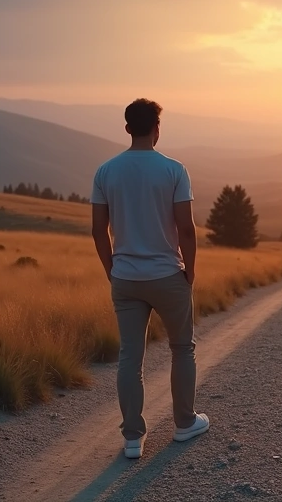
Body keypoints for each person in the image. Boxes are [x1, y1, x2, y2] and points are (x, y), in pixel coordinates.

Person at [91, 98, 209, 459]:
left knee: (130, 357)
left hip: (125, 277)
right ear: (157, 128)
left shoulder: (106, 171)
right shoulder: (174, 170)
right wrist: (189, 269)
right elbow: (185, 230)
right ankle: (185, 423)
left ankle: (132, 438)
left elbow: (99, 231)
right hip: (167, 274)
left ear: (127, 128)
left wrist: (113, 271)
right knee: (182, 348)